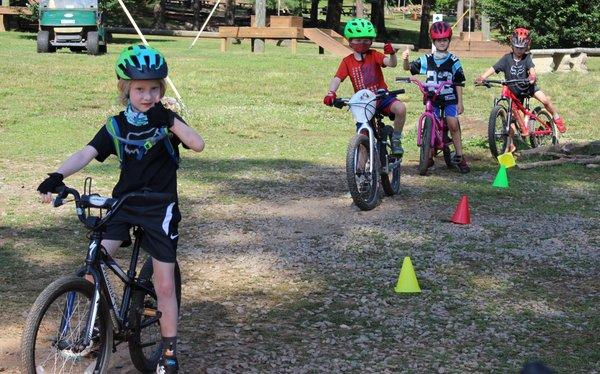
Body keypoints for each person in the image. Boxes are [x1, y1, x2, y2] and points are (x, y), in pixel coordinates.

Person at [36, 44, 205, 374]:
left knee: (165, 284)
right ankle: (95, 327)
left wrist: (170, 119)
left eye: (154, 89)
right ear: (125, 89)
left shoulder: (166, 121)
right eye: (139, 89)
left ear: (162, 89)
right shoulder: (116, 126)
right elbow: (86, 152)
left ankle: (169, 351)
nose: (147, 96)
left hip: (160, 208)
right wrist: (56, 175)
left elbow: (197, 144)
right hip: (124, 205)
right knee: (94, 260)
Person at [323, 17, 407, 156]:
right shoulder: (347, 61)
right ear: (350, 41)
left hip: (381, 97)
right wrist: (331, 92)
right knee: (363, 138)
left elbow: (392, 63)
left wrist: (392, 54)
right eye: (358, 40)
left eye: (366, 40)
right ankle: (360, 173)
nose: (362, 43)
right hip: (363, 103)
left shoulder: (374, 55)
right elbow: (337, 79)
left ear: (371, 41)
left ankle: (396, 139)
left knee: (400, 108)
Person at [475, 27, 567, 152]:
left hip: (528, 87)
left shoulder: (526, 58)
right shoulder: (506, 58)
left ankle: (556, 117)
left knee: (545, 100)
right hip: (514, 91)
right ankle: (510, 145)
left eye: (522, 48)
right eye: (517, 47)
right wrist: (482, 77)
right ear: (512, 45)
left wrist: (532, 76)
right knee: (511, 118)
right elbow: (494, 68)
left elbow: (532, 69)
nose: (519, 50)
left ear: (527, 47)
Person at [402, 21, 470, 173]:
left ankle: (459, 155)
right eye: (439, 40)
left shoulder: (454, 61)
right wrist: (405, 59)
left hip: (449, 98)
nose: (442, 43)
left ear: (449, 41)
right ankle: (429, 153)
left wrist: (460, 102)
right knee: (430, 122)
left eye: (445, 40)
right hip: (432, 98)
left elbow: (458, 82)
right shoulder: (427, 59)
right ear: (433, 41)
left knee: (452, 123)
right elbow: (409, 68)